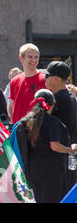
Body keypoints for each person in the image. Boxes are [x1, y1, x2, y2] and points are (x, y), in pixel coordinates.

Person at [16, 89, 77, 203]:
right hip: (51, 170)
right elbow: (54, 146)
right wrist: (71, 149)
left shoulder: (27, 121)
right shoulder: (52, 121)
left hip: (32, 169)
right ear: (53, 103)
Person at [44, 61, 77, 190]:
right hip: (67, 156)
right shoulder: (71, 98)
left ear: (56, 79)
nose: (45, 78)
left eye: (47, 76)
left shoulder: (56, 99)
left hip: (59, 157)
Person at [8, 43, 46, 124]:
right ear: (21, 58)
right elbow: (11, 107)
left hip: (37, 130)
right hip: (18, 129)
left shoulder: (45, 80)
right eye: (30, 57)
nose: (33, 60)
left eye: (36, 57)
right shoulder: (14, 81)